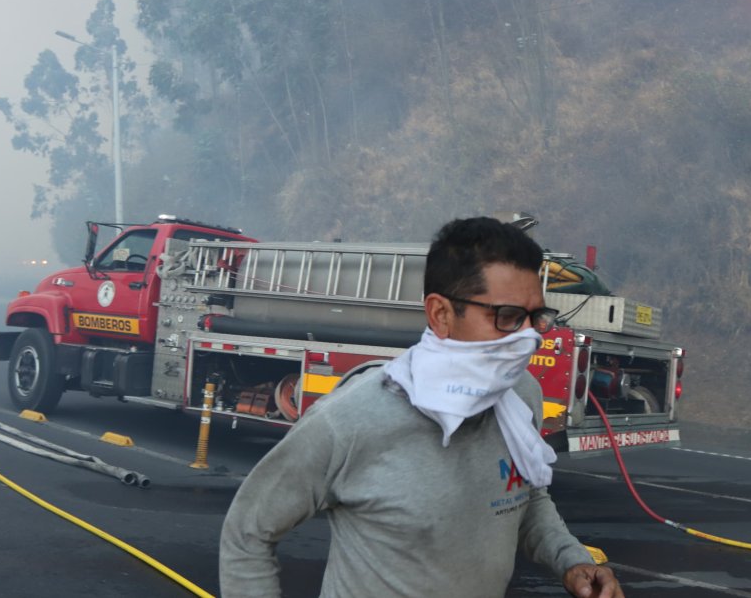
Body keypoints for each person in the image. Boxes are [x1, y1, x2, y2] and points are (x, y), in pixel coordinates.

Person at [219, 217, 623, 598]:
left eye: (536, 318)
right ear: (441, 313)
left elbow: (526, 497)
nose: (529, 337)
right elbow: (247, 533)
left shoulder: (521, 398)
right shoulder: (350, 419)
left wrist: (572, 560)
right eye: (508, 317)